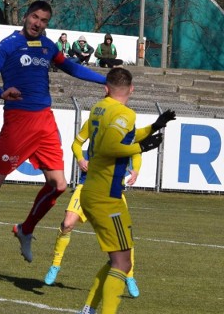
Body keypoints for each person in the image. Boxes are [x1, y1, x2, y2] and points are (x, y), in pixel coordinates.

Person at [0, 0, 106, 266]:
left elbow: (71, 67)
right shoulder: (8, 44)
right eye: (35, 17)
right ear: (26, 16)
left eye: (44, 20)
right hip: (18, 121)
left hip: (44, 120)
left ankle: (26, 228)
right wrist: (2, 92)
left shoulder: (48, 46)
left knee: (59, 185)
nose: (38, 23)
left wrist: (105, 80)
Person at [43, 108, 178, 294]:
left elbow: (136, 148)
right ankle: (55, 265)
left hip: (113, 190)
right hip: (88, 186)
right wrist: (81, 158)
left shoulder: (125, 127)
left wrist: (136, 169)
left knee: (124, 238)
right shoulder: (95, 122)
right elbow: (77, 143)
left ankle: (129, 276)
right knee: (67, 224)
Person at [78, 68, 171, 314]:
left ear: (106, 88)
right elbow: (112, 146)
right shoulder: (125, 113)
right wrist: (140, 147)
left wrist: (153, 127)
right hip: (107, 197)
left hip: (92, 190)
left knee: (116, 261)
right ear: (131, 89)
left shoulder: (100, 107)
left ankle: (88, 309)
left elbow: (119, 138)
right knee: (123, 262)